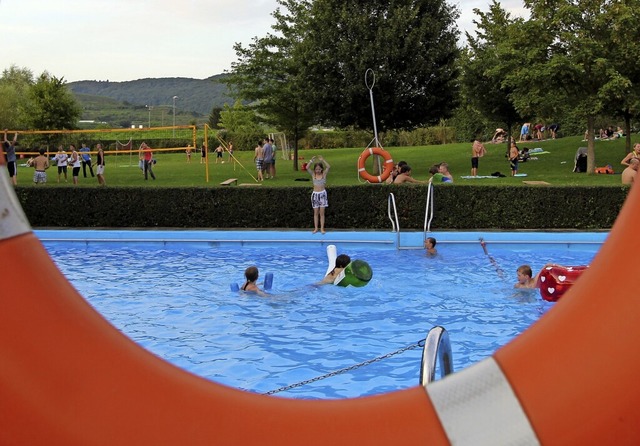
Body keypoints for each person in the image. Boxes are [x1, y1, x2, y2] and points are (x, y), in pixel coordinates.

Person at [307, 155, 330, 234]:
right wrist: (311, 161)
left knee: (322, 213)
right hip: (315, 195)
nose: (318, 170)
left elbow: (328, 167)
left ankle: (322, 228)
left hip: (322, 194)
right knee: (316, 213)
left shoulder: (324, 174)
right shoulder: (313, 175)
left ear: (321, 169)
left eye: (319, 169)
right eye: (316, 169)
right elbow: (307, 167)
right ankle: (316, 228)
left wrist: (323, 160)